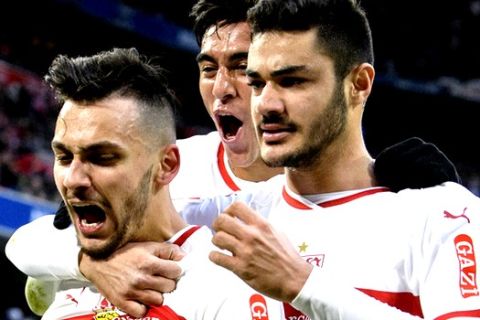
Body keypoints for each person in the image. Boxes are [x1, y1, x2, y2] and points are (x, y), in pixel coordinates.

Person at [7, 0, 462, 318]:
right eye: (208, 68)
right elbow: (32, 242)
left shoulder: (415, 205)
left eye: (244, 68)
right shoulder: (173, 172)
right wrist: (93, 264)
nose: (224, 87)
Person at [198, 0, 480, 318]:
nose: (266, 104)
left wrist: (303, 285)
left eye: (292, 81)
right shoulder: (223, 219)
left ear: (359, 84)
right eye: (257, 84)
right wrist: (127, 264)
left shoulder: (441, 214)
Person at [7, 47, 285, 319]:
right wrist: (86, 265)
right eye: (64, 157)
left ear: (167, 166)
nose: (73, 179)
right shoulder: (72, 282)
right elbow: (22, 243)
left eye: (102, 158)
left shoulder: (225, 291)